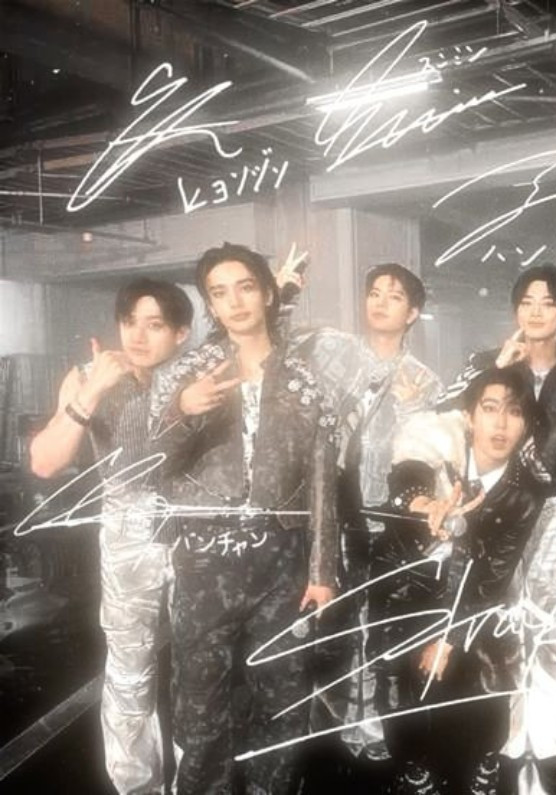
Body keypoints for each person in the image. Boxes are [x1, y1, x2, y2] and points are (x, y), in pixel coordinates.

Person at [152, 242, 338, 794]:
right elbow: (152, 464)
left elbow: (323, 481)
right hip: (204, 560)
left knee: (283, 698)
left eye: (246, 287)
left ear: (269, 294)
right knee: (200, 705)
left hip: (280, 564)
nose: (234, 302)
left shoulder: (305, 380)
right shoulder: (187, 373)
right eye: (219, 292)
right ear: (210, 305)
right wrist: (182, 412)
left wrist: (322, 570)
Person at [30, 279, 192, 795]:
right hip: (128, 529)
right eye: (129, 322)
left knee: (200, 665)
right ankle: (137, 786)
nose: (138, 336)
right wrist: (92, 391)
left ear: (181, 333)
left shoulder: (197, 375)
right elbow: (45, 462)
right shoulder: (86, 377)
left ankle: (197, 781)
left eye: (155, 324)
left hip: (196, 527)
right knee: (130, 666)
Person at [436, 264, 556, 793]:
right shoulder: (489, 361)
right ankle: (504, 741)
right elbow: (447, 412)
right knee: (500, 623)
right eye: (526, 301)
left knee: (555, 628)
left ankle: (549, 745)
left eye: (547, 303)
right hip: (495, 503)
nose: (535, 311)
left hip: (555, 511)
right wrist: (498, 367)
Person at [288, 261, 443, 760]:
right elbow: (276, 351)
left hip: (387, 523)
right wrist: (285, 293)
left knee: (376, 625)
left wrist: (413, 409)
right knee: (327, 623)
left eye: (394, 296)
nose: (380, 302)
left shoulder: (424, 381)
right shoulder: (333, 351)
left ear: (413, 313)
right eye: (374, 292)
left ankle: (371, 728)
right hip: (329, 512)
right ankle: (327, 726)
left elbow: (428, 455)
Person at [371, 367, 547, 794]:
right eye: (490, 408)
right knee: (396, 683)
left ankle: (485, 763)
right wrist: (424, 504)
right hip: (406, 586)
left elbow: (493, 574)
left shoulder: (526, 492)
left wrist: (448, 638)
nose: (501, 424)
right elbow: (405, 479)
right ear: (469, 416)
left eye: (514, 412)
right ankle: (413, 770)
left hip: (472, 596)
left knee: (490, 675)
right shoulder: (437, 450)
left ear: (527, 425)